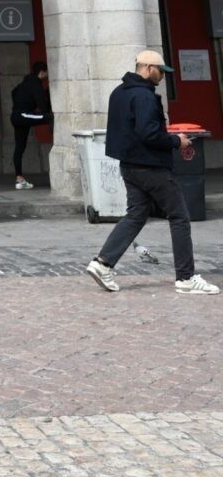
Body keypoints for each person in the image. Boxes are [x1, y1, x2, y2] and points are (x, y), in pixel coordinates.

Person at [86, 50, 218, 296]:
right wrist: (176, 141)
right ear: (146, 68)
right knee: (179, 216)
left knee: (136, 215)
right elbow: (149, 134)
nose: (162, 77)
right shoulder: (144, 96)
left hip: (129, 165)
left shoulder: (118, 93)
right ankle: (186, 277)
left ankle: (102, 263)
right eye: (159, 71)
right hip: (151, 167)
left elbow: (125, 130)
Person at [10, 60, 51, 190]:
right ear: (42, 72)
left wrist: (20, 104)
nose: (47, 75)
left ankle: (19, 179)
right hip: (23, 115)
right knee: (51, 117)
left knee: (20, 147)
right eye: (46, 73)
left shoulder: (25, 82)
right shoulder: (35, 84)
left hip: (17, 116)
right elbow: (43, 107)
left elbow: (13, 92)